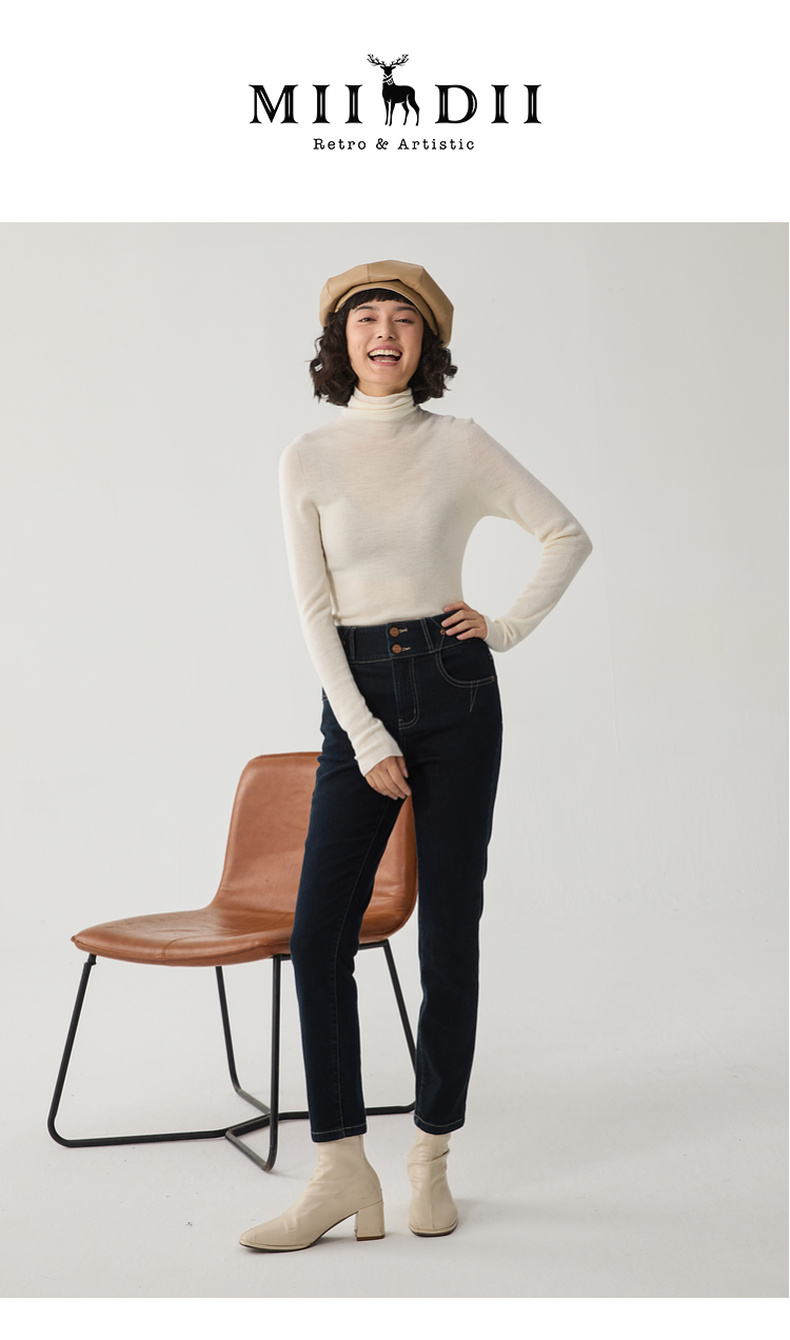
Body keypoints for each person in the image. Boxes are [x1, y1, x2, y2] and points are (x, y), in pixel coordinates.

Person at [239, 260, 592, 1251]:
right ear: (341, 340)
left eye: (402, 319)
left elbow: (565, 535)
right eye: (365, 318)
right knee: (320, 933)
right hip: (355, 690)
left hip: (455, 687)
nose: (383, 332)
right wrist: (363, 732)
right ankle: (340, 1167)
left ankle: (431, 1152)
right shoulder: (307, 456)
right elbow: (313, 609)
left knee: (449, 930)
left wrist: (502, 628)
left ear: (425, 342)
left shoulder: (459, 443)